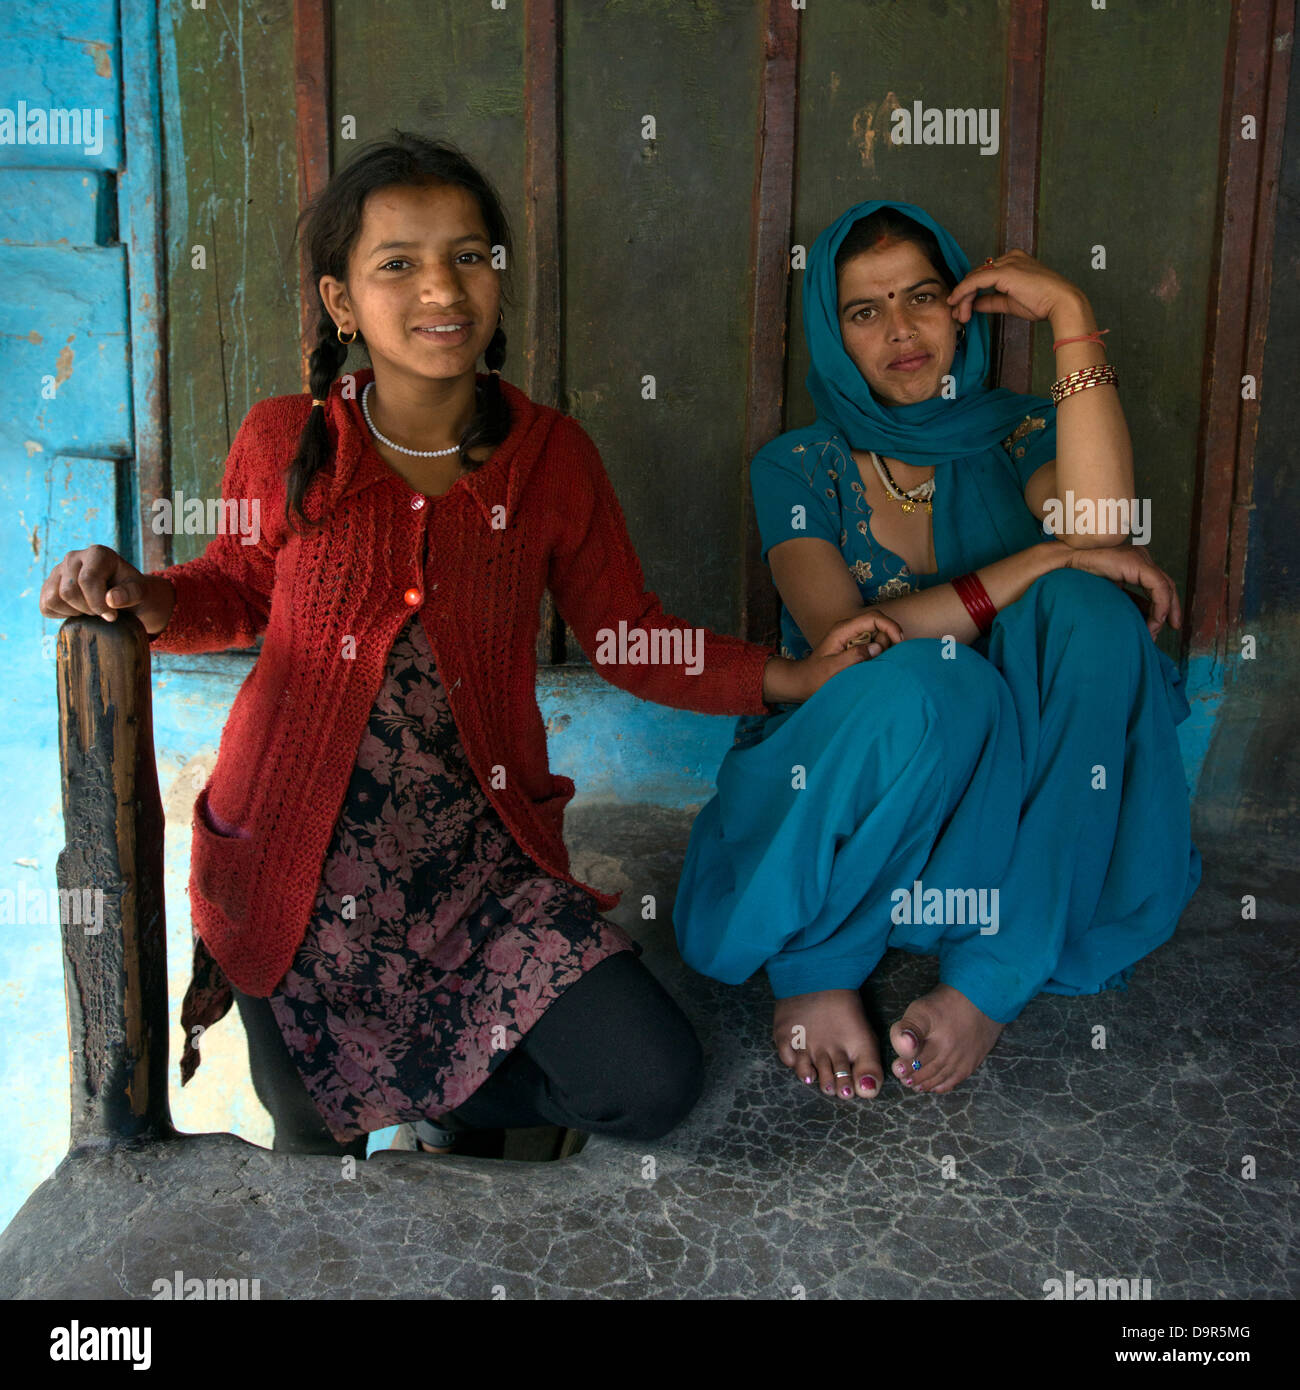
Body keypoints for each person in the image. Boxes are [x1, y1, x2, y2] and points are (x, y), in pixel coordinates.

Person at [36, 134, 894, 1158]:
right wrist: (143, 592)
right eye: (397, 262)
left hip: (482, 870)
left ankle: (444, 1092)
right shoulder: (285, 439)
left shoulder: (553, 458)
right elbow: (237, 589)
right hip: (291, 875)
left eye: (470, 255)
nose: (441, 286)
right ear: (341, 301)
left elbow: (628, 634)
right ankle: (392, 1105)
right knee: (318, 1150)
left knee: (648, 1079)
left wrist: (786, 674)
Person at [672, 199, 1202, 1102]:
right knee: (934, 682)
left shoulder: (1020, 430)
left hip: (1015, 815)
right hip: (871, 788)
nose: (902, 330)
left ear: (962, 310)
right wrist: (1040, 555)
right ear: (831, 334)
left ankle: (992, 974)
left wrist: (1071, 314)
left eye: (923, 297)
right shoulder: (798, 467)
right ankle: (821, 957)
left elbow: (1104, 530)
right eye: (864, 311)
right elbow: (853, 642)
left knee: (1091, 611)